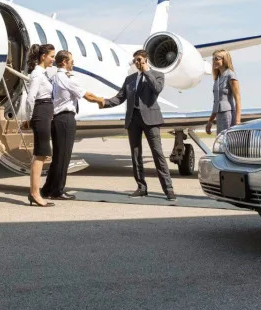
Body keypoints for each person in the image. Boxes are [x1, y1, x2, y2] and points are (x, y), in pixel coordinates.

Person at [103, 49, 176, 201]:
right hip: (133, 120)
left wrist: (146, 71)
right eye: (135, 60)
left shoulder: (157, 75)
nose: (137, 63)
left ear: (146, 60)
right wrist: (103, 102)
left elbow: (157, 88)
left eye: (139, 60)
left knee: (158, 154)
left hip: (151, 119)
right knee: (136, 155)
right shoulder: (130, 79)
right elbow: (119, 98)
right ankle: (141, 187)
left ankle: (168, 189)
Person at [42, 50, 104, 200]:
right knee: (63, 157)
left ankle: (47, 189)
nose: (73, 63)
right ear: (64, 62)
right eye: (71, 60)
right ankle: (57, 191)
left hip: (57, 119)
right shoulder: (65, 78)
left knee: (58, 157)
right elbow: (86, 95)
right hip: (65, 119)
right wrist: (100, 100)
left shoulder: (54, 77)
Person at [23, 43, 56, 207]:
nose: (53, 59)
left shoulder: (43, 73)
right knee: (41, 154)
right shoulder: (37, 74)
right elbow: (30, 98)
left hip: (45, 112)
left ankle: (34, 193)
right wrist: (29, 118)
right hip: (40, 112)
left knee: (41, 153)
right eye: (52, 56)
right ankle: (35, 193)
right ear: (43, 56)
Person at [206, 49, 241, 135]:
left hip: (228, 115)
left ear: (224, 60)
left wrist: (237, 120)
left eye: (216, 59)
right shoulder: (217, 78)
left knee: (228, 140)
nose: (214, 61)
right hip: (219, 115)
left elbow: (238, 98)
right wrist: (210, 121)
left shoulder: (230, 75)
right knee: (221, 140)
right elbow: (217, 102)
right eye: (213, 59)